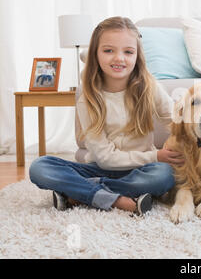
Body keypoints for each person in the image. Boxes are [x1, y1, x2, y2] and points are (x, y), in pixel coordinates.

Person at [29, 16, 183, 215]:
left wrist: (173, 142)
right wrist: (155, 154)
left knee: (163, 175)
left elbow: (177, 121)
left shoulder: (149, 86)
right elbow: (105, 159)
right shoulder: (88, 98)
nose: (119, 58)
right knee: (40, 167)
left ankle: (78, 193)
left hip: (140, 169)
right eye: (109, 50)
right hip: (99, 167)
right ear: (96, 53)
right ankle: (118, 200)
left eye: (128, 52)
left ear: (137, 55)